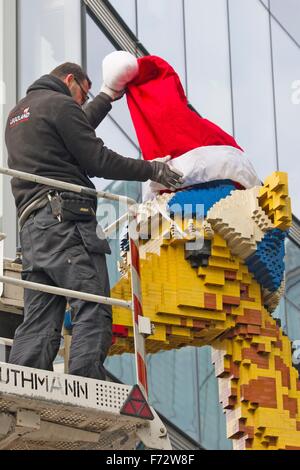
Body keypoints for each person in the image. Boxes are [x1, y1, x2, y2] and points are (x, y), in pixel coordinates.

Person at [5, 62, 183, 380]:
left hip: (33, 229)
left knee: (41, 317)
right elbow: (96, 158)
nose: (82, 104)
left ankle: (26, 380)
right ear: (70, 80)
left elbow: (75, 130)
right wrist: (152, 169)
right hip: (67, 221)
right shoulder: (60, 104)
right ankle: (89, 378)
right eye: (83, 96)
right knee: (92, 302)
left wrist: (106, 95)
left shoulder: (19, 115)